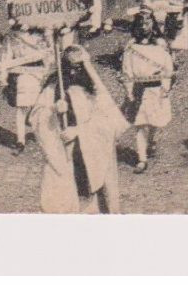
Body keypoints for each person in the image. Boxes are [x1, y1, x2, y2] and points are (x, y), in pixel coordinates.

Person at [29, 44, 128, 213]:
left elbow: (109, 121)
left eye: (79, 66)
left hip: (90, 151)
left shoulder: (93, 91)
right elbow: (36, 117)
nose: (74, 72)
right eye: (70, 66)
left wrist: (78, 131)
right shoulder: (53, 87)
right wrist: (53, 110)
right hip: (63, 152)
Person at [120, 11, 175, 174]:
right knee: (140, 124)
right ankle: (142, 158)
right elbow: (127, 70)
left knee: (154, 122)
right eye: (141, 24)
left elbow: (167, 67)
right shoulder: (131, 47)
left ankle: (150, 140)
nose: (145, 27)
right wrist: (128, 90)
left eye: (148, 23)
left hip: (156, 89)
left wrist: (166, 86)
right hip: (139, 89)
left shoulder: (160, 45)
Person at [0, 25, 52, 154]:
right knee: (24, 108)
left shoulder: (40, 35)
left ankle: (30, 137)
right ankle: (21, 140)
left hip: (38, 75)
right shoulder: (13, 37)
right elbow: (5, 59)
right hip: (24, 75)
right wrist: (3, 79)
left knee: (34, 108)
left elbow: (49, 57)